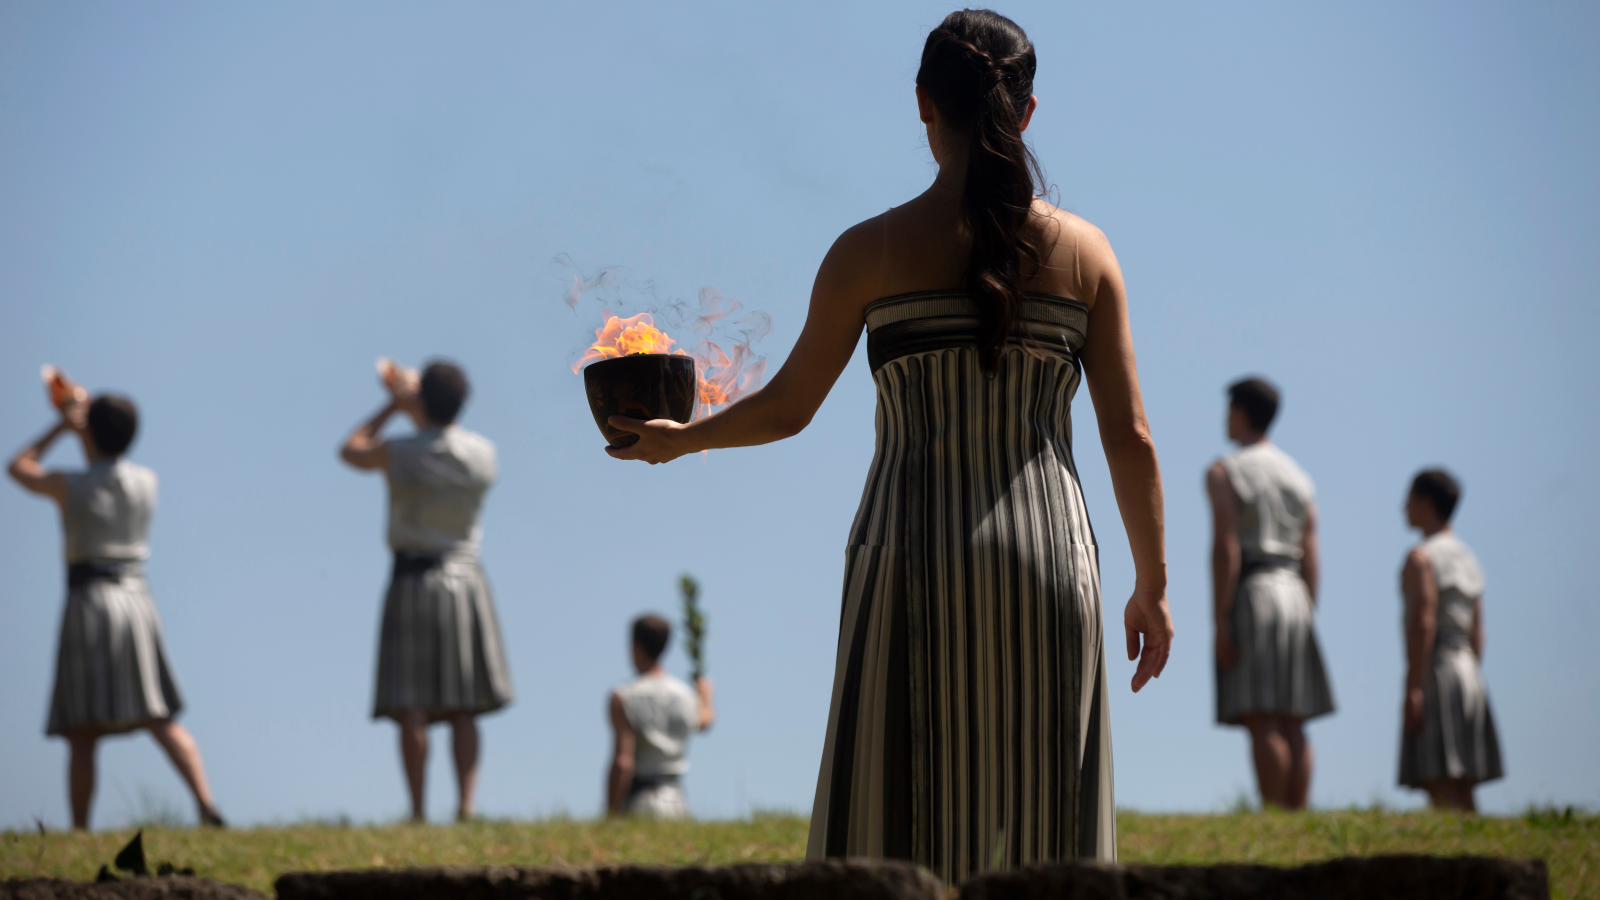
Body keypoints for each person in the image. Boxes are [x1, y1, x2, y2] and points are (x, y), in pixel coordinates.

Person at [602, 10, 1172, 879]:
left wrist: (681, 442)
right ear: (1025, 113)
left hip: (909, 555)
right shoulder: (1088, 255)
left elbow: (790, 407)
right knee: (1049, 843)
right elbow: (1128, 436)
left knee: (890, 831)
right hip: (1053, 559)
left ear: (921, 106)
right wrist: (1153, 585)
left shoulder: (866, 253)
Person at [7, 393, 225, 829]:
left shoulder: (72, 486)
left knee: (83, 730)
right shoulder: (148, 480)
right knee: (159, 714)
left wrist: (63, 427)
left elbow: (18, 467)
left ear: (90, 431)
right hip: (136, 598)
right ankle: (205, 802)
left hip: (88, 599)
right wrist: (87, 424)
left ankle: (81, 827)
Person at [339, 359, 513, 822]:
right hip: (465, 577)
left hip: (412, 578)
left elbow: (351, 450)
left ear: (421, 399)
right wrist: (417, 403)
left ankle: (417, 810)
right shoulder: (484, 454)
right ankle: (467, 806)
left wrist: (394, 404)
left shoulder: (400, 451)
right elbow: (440, 436)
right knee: (464, 704)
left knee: (411, 701)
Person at [1206, 377, 1335, 810]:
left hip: (1255, 591)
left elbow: (1226, 547)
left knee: (1262, 716)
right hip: (1296, 593)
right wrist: (1308, 607)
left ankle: (1274, 811)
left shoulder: (1226, 471)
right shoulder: (1300, 477)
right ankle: (1298, 815)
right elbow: (1312, 554)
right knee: (1294, 717)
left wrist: (1220, 616)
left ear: (1240, 412)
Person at [1398, 469, 1502, 811]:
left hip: (1437, 667)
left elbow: (1423, 621)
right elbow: (1478, 632)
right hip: (1469, 671)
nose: (1404, 507)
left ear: (1426, 503)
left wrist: (1414, 685)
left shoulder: (1421, 558)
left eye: (1410, 499)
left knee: (1440, 779)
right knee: (1464, 783)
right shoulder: (1468, 559)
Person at [605, 614, 716, 818]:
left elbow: (623, 761)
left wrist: (611, 811)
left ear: (635, 645)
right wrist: (706, 698)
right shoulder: (686, 695)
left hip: (640, 800)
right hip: (677, 800)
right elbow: (704, 722)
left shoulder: (623, 696)